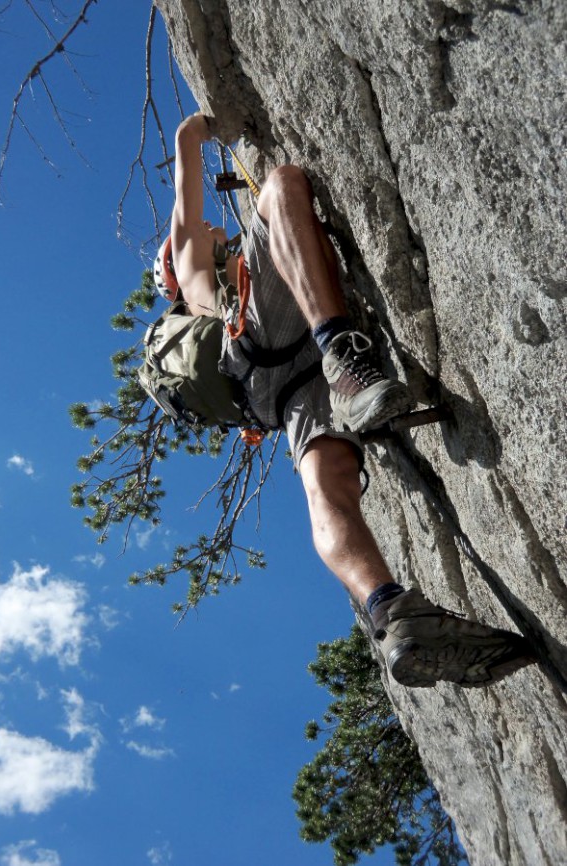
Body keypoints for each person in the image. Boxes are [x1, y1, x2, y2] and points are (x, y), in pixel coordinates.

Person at [157, 112, 534, 688]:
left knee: (325, 484)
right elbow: (187, 139)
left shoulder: (201, 285)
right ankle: (341, 352)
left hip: (270, 399)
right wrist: (219, 121)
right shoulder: (188, 263)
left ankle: (390, 612)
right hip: (257, 343)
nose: (211, 229)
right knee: (282, 185)